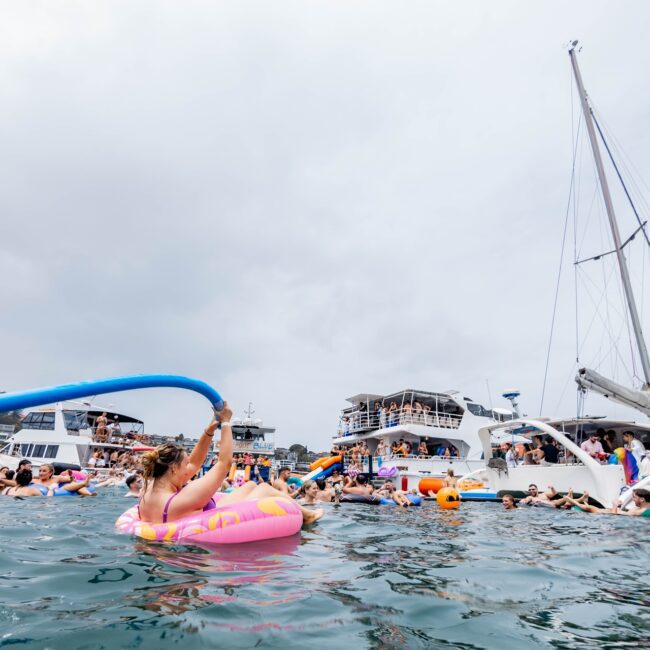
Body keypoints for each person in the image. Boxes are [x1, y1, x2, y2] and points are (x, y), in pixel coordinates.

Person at [138, 403, 323, 526]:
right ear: (173, 468)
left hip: (187, 512)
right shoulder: (181, 500)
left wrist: (209, 431)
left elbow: (194, 462)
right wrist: (226, 423)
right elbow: (224, 463)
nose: (189, 469)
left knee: (251, 484)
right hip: (208, 519)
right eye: (184, 465)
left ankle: (306, 513)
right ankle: (308, 515)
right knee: (264, 489)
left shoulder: (151, 488)